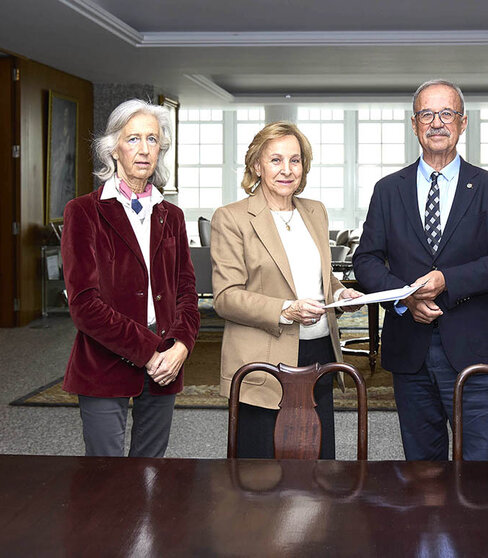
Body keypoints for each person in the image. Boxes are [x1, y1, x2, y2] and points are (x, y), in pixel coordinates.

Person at [353, 80, 488, 461]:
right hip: (407, 349)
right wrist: (404, 296)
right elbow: (365, 260)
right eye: (426, 114)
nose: (437, 123)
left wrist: (448, 281)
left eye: (447, 113)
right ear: (414, 124)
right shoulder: (387, 190)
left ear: (463, 123)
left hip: (472, 350)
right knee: (422, 472)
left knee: (481, 469)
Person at [211, 122, 362, 459]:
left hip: (320, 354)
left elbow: (321, 278)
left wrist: (339, 295)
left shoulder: (315, 211)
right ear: (256, 165)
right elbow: (226, 296)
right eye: (275, 160)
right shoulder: (232, 218)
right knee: (260, 471)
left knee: (319, 462)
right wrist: (286, 309)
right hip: (264, 359)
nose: (286, 170)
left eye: (295, 160)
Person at [61, 99, 200, 457]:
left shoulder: (172, 214)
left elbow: (186, 291)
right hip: (105, 361)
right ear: (113, 149)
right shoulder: (83, 212)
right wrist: (149, 350)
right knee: (105, 477)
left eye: (152, 139)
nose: (143, 149)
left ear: (161, 149)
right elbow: (84, 305)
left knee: (152, 470)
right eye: (133, 139)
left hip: (166, 361)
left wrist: (180, 346)